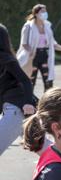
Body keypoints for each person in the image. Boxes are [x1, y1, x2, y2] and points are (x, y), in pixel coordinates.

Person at [16, 4, 61, 91]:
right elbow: (24, 43)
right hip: (32, 56)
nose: (45, 13)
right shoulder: (28, 26)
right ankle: (29, 102)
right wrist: (30, 52)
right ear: (36, 13)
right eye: (42, 11)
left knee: (48, 82)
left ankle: (47, 102)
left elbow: (52, 44)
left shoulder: (47, 26)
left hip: (44, 55)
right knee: (31, 82)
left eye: (45, 11)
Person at [0, 24, 37, 156]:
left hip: (17, 109)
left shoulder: (5, 59)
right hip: (13, 111)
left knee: (42, 146)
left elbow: (26, 81)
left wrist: (28, 103)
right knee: (42, 147)